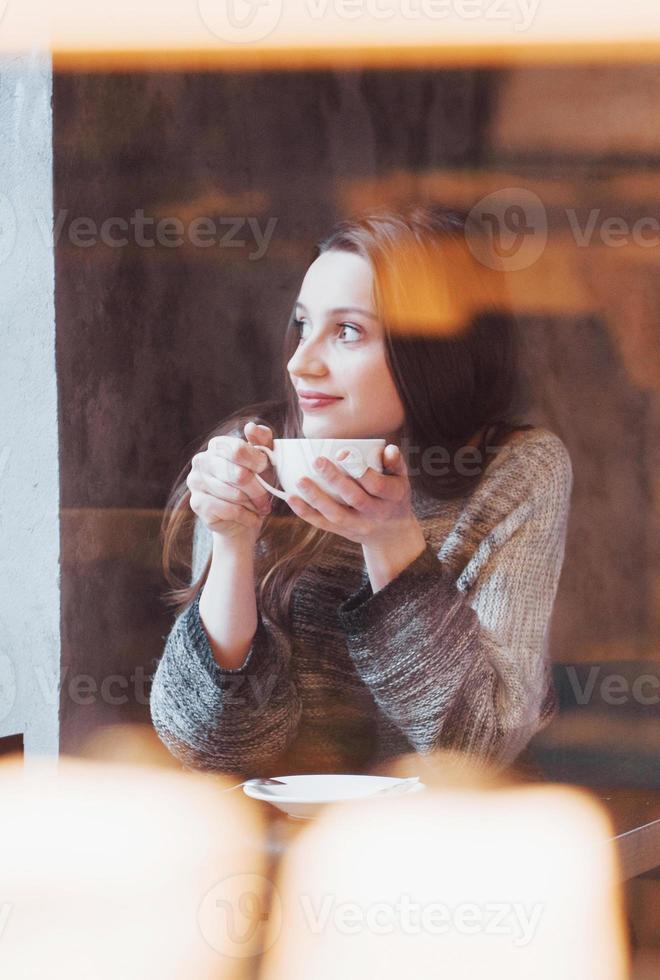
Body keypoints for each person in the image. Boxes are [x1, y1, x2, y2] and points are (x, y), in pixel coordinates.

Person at [149, 204, 572, 778]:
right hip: (275, 843)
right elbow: (210, 745)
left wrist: (392, 540)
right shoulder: (255, 457)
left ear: (430, 353)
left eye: (347, 331)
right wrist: (232, 544)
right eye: (303, 325)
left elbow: (479, 749)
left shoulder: (515, 471)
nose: (301, 363)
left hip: (450, 847)